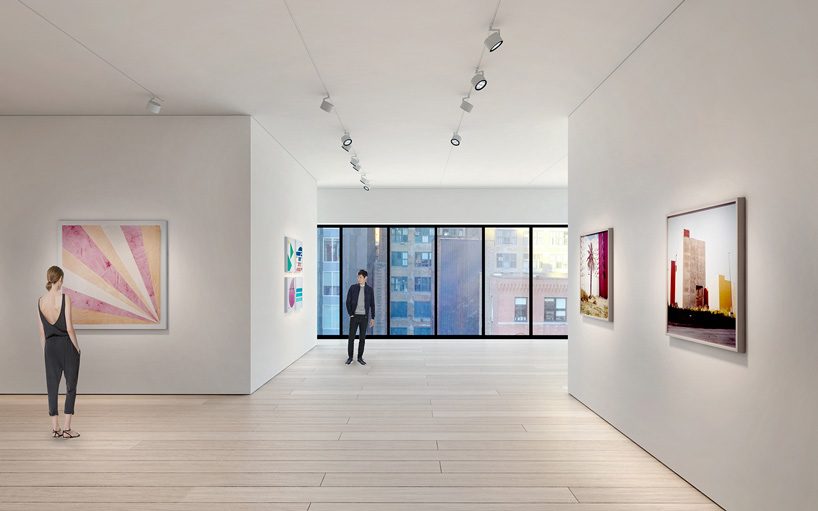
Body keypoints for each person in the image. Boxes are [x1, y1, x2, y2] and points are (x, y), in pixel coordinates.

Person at [36, 266, 81, 439]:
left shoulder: (40, 301)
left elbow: (41, 333)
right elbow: (69, 328)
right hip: (66, 346)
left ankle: (55, 428)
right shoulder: (65, 298)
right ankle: (67, 428)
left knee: (52, 387)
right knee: (71, 387)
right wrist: (77, 348)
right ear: (60, 279)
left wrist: (46, 352)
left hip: (50, 347)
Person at [345, 269, 375, 365]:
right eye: (358, 277)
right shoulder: (353, 288)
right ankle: (350, 357)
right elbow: (347, 302)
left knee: (362, 339)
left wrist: (372, 318)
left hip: (364, 318)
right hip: (354, 317)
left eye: (360, 277)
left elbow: (372, 305)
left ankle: (360, 357)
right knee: (351, 338)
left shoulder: (370, 290)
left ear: (365, 278)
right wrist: (351, 314)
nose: (359, 279)